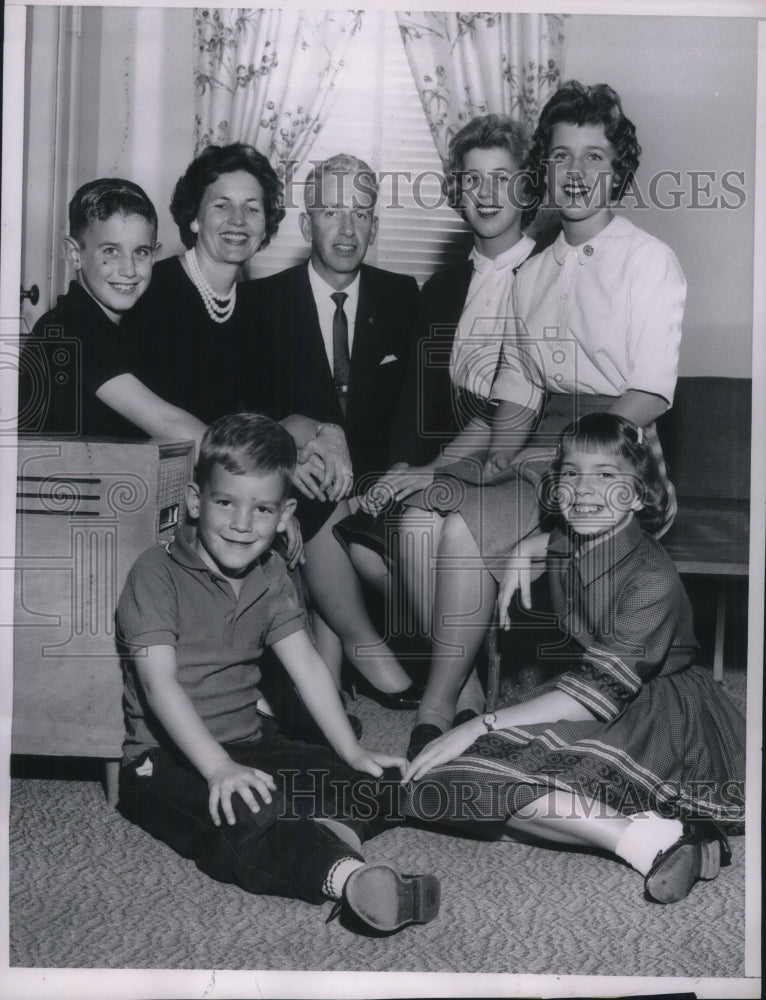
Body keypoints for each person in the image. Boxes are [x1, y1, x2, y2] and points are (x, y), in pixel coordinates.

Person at [398, 81, 687, 761]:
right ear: (544, 171)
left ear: (618, 168)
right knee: (423, 517)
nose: (578, 174)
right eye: (562, 157)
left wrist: (562, 462)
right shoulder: (532, 273)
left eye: (594, 157)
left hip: (617, 453)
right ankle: (462, 687)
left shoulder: (650, 263)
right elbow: (522, 389)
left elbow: (651, 391)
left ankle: (435, 711)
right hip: (536, 448)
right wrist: (490, 460)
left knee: (466, 527)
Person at [402, 413, 745, 906]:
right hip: (584, 690)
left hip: (659, 715)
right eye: (570, 473)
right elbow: (560, 539)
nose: (583, 489)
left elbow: (597, 698)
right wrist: (526, 547)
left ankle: (646, 843)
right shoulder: (578, 536)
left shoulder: (654, 580)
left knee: (480, 773)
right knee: (440, 789)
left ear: (640, 491)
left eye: (606, 475)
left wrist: (480, 726)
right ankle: (664, 834)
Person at [116, 413, 440, 932]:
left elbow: (307, 664)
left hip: (248, 739)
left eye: (262, 509)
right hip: (165, 761)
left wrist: (351, 752)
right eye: (226, 503)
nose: (243, 523)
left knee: (378, 782)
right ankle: (349, 878)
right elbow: (159, 685)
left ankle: (328, 828)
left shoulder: (271, 574)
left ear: (284, 512)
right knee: (246, 818)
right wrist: (219, 768)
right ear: (196, 502)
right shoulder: (155, 574)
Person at [338, 114, 545, 735]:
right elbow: (417, 398)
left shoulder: (546, 274)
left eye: (502, 178)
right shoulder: (445, 284)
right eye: (471, 179)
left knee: (428, 522)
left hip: (521, 454)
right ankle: (467, 683)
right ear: (456, 190)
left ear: (528, 189)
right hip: (456, 452)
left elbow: (510, 412)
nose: (485, 194)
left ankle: (441, 696)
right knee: (370, 534)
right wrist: (400, 469)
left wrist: (431, 474)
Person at [248, 153, 422, 707]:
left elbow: (411, 407)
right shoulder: (263, 301)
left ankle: (324, 690)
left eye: (362, 213)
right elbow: (250, 413)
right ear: (306, 224)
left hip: (377, 475)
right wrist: (303, 448)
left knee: (341, 495)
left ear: (374, 224)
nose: (347, 229)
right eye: (330, 212)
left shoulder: (401, 295)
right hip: (297, 468)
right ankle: (364, 650)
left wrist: (394, 471)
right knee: (319, 483)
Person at [18, 178, 206, 444]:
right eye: (111, 251)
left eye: (140, 252)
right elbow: (171, 425)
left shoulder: (127, 328)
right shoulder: (68, 329)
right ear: (74, 254)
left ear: (155, 255)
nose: (128, 270)